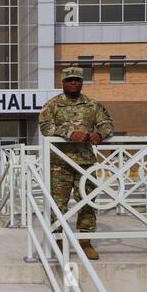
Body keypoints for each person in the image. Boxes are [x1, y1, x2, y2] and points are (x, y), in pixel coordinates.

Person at [39, 67, 114, 260]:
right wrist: (70, 134)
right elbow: (45, 127)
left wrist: (101, 134)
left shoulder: (93, 105)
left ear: (82, 83)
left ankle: (85, 240)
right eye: (70, 80)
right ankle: (58, 239)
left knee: (88, 201)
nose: (74, 83)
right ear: (62, 82)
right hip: (59, 163)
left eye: (77, 80)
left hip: (86, 163)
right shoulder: (53, 105)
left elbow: (107, 123)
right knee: (58, 204)